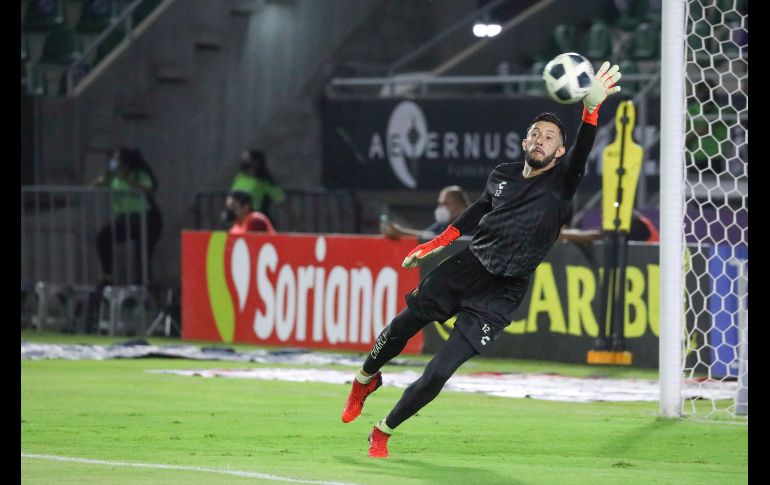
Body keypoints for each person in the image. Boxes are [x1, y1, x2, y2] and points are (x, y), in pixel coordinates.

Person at [341, 61, 622, 458]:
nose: (541, 140)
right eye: (535, 134)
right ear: (526, 143)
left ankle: (383, 431)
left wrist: (590, 113)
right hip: (467, 266)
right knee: (402, 325)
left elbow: (584, 152)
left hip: (502, 294)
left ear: (560, 151)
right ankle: (365, 378)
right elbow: (476, 212)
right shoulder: (502, 175)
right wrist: (436, 242)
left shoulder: (562, 183)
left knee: (439, 372)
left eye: (550, 138)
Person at [94, 148, 163, 285]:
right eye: (113, 159)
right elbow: (95, 185)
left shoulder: (138, 174)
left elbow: (148, 189)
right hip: (126, 218)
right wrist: (103, 178)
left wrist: (124, 178)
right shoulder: (114, 177)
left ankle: (145, 284)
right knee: (103, 237)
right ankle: (107, 275)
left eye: (117, 159)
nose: (114, 162)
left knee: (142, 254)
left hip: (147, 218)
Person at [380, 186, 471, 239]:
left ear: (460, 206)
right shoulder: (442, 225)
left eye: (445, 204)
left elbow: (439, 240)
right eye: (439, 204)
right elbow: (426, 235)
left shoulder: (474, 222)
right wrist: (399, 232)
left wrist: (401, 232)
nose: (440, 208)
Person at [230, 150, 285, 218]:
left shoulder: (264, 181)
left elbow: (280, 201)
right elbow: (232, 196)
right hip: (238, 217)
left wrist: (295, 219)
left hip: (255, 217)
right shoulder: (240, 177)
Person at [559, 209, 659, 243]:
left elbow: (598, 236)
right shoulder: (622, 217)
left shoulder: (630, 219)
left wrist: (564, 235)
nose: (602, 215)